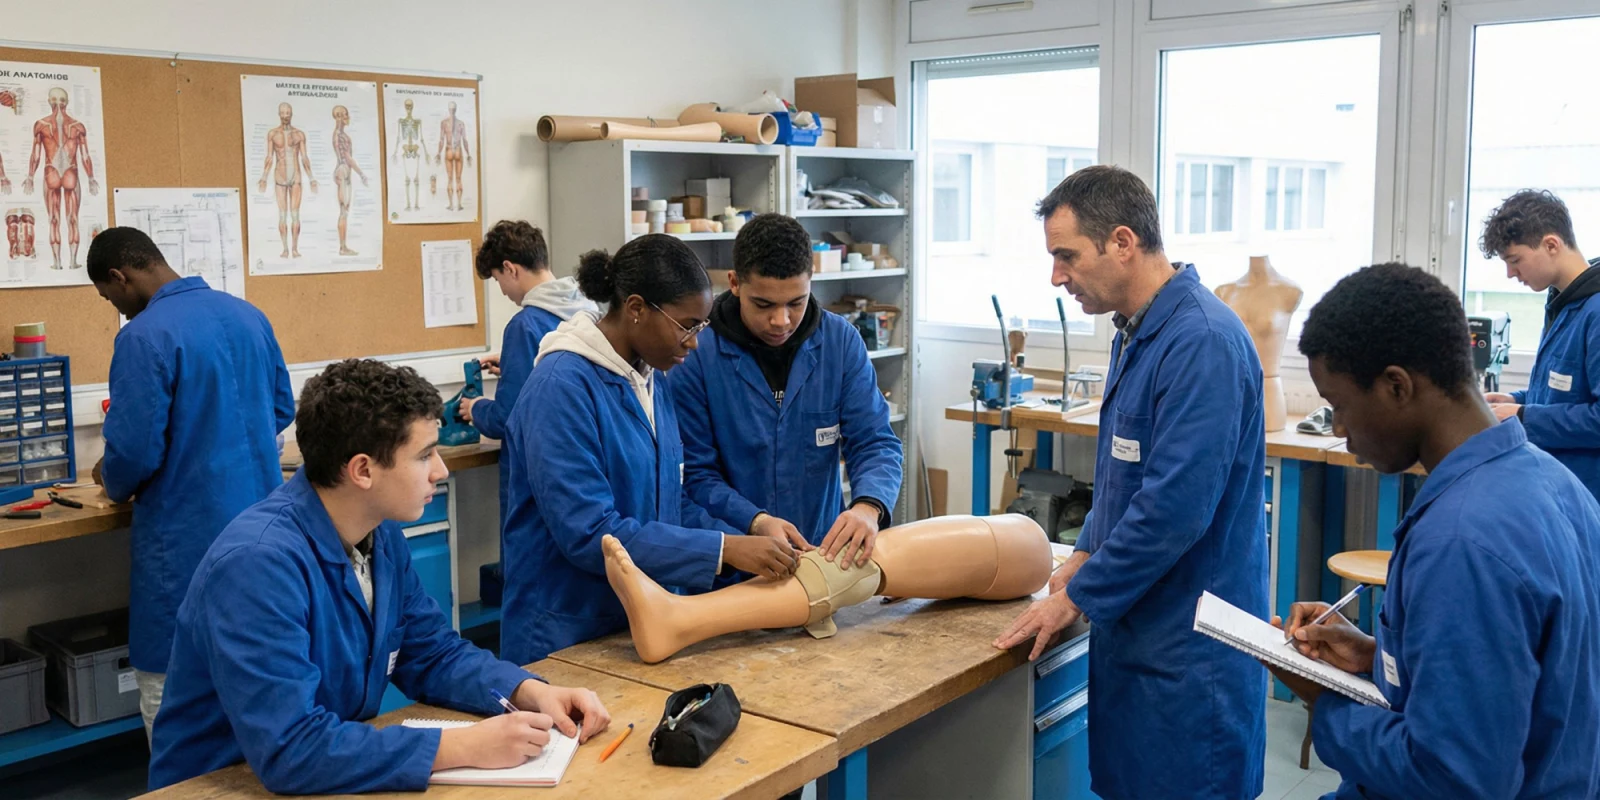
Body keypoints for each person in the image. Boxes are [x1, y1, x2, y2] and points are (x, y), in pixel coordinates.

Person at [147, 359, 612, 794]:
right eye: (424, 454)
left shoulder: (378, 534)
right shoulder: (256, 564)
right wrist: (460, 747)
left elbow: (432, 654)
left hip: (327, 774)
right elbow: (289, 748)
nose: (441, 470)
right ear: (363, 470)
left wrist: (526, 691)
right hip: (220, 785)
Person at [994, 166, 1268, 799]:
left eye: (1066, 256)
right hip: (1140, 636)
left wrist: (1078, 595)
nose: (1057, 277)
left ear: (1122, 242)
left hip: (1190, 653)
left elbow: (1174, 508)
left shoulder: (1200, 341)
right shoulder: (1136, 331)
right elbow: (1123, 476)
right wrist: (1086, 550)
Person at [1277, 263, 1600, 798]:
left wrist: (1326, 702)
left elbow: (1453, 778)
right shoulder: (1553, 481)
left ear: (1396, 386)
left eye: (1339, 407)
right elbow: (1518, 679)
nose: (1337, 429)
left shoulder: (1461, 540)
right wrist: (1374, 658)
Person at [499, 234, 801, 665]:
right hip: (566, 631)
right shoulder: (560, 388)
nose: (695, 342)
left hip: (642, 620)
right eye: (686, 325)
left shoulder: (648, 377)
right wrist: (725, 551)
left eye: (702, 327)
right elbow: (590, 533)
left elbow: (668, 499)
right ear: (637, 309)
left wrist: (749, 532)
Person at [88, 227, 294, 740]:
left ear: (121, 275)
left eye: (108, 294)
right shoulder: (248, 315)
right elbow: (280, 407)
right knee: (258, 685)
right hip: (263, 534)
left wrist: (109, 477)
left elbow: (134, 453)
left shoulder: (143, 336)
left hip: (185, 542)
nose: (114, 305)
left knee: (176, 705)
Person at [673, 213, 903, 565]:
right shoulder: (697, 354)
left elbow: (874, 441)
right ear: (734, 283)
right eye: (764, 305)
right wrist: (755, 522)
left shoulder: (840, 343)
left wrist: (868, 506)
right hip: (735, 562)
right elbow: (696, 474)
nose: (781, 321)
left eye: (796, 302)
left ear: (812, 279)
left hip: (824, 558)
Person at [461, 221, 597, 525]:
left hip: (535, 473)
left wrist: (476, 408)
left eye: (497, 280)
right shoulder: (586, 310)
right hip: (581, 464)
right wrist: (512, 365)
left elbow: (506, 417)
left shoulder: (525, 325)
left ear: (510, 268)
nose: (503, 291)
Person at [1480, 189, 1600, 501]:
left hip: (1587, 496)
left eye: (1515, 260)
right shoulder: (1564, 303)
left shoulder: (1596, 312)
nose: (1510, 274)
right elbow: (1567, 392)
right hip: (1557, 486)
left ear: (1551, 244)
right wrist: (1516, 399)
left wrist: (1522, 415)